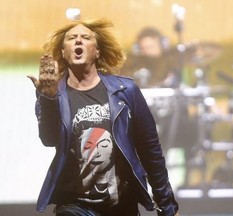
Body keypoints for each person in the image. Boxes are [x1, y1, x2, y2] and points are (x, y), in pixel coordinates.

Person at [27, 18, 179, 216]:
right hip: (75, 205)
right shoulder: (54, 94)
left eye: (85, 37)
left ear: (97, 51)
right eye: (72, 38)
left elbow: (150, 151)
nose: (78, 41)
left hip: (121, 204)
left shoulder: (126, 91)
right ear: (63, 52)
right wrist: (48, 99)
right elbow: (49, 139)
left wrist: (167, 206)